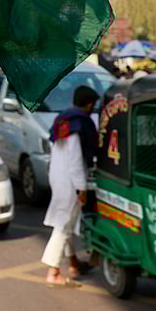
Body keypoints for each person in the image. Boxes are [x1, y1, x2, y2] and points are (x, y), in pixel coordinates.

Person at [42, 85, 99, 287]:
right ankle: (53, 272)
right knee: (64, 225)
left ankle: (74, 263)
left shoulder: (63, 119)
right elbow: (75, 159)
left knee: (66, 222)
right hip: (70, 180)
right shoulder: (79, 123)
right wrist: (81, 188)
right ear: (89, 104)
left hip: (57, 176)